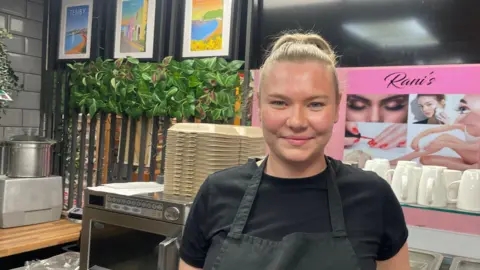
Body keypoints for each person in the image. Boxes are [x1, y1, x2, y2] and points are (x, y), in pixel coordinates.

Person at [179, 32, 410, 270]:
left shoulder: (373, 196)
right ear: (259, 105)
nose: (297, 121)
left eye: (315, 104)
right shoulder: (216, 192)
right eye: (279, 102)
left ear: (337, 108)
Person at [392, 94, 480, 170]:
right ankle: (469, 168)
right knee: (424, 160)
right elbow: (433, 130)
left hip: (476, 158)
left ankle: (404, 159)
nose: (461, 114)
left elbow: (474, 148)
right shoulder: (463, 126)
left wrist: (447, 144)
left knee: (446, 137)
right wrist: (417, 138)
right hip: (469, 159)